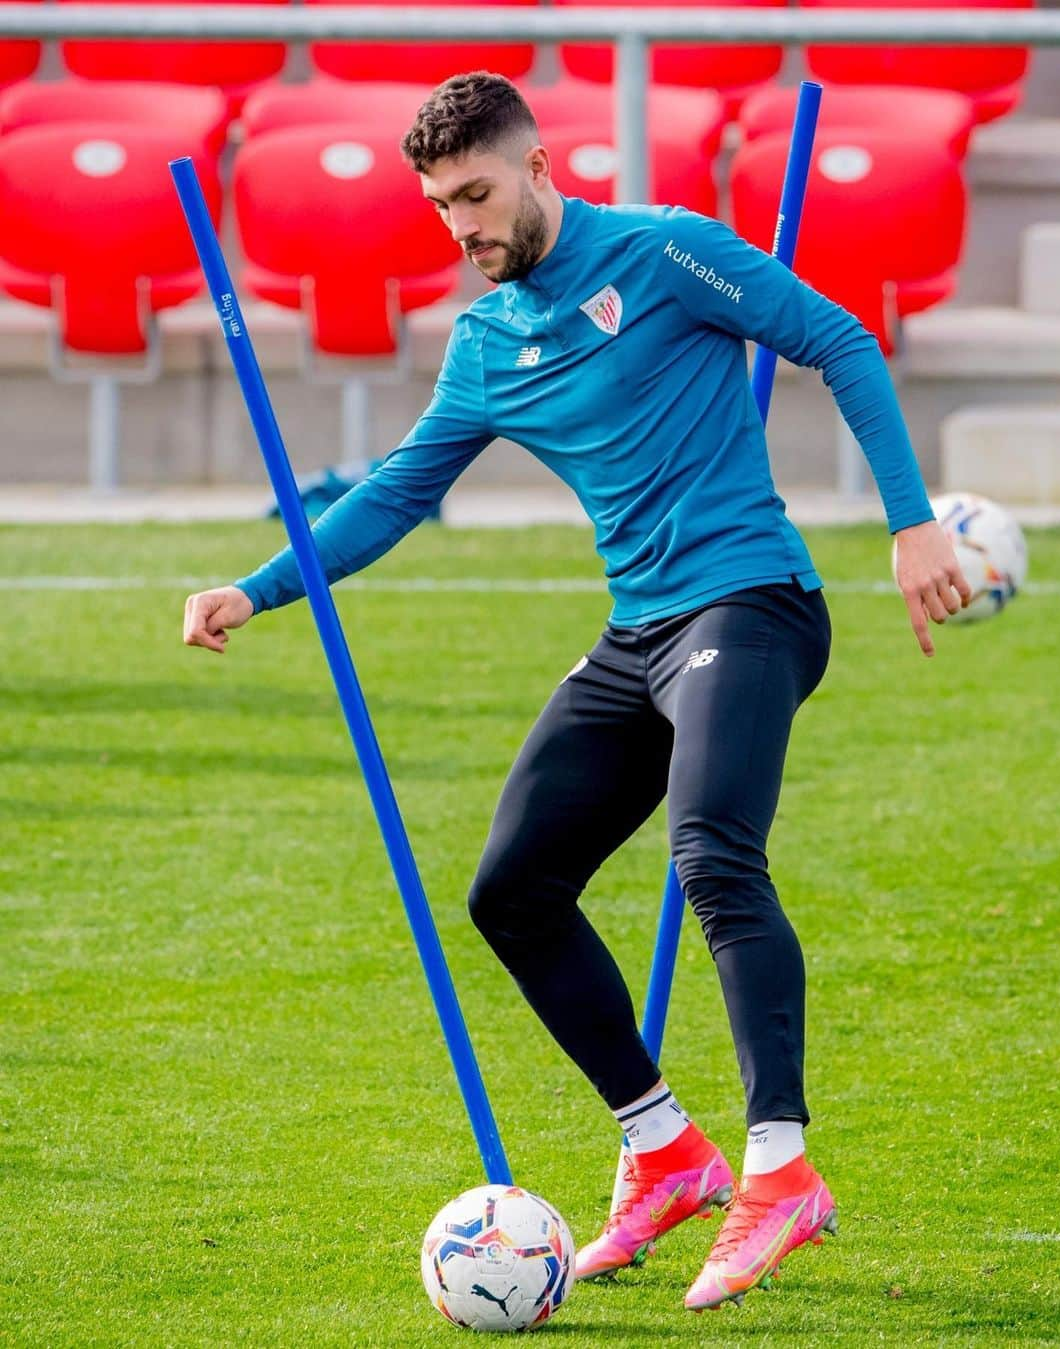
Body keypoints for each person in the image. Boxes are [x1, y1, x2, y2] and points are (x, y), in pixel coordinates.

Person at [183, 72, 970, 1311]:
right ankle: (664, 1150)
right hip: (638, 628)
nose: (462, 226)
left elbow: (839, 341)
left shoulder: (667, 251)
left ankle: (781, 1169)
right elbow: (394, 491)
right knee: (511, 888)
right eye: (443, 206)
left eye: (480, 195)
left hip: (753, 601)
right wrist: (257, 585)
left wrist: (911, 524)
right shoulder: (486, 342)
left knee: (712, 853)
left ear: (541, 166)